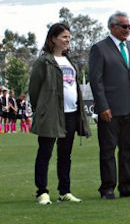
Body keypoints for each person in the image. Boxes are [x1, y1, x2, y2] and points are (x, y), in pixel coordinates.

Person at [29, 23, 91, 204]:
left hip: (71, 113)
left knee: (65, 154)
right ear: (53, 38)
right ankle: (42, 192)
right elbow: (34, 89)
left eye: (69, 37)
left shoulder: (69, 61)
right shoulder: (44, 61)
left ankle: (65, 191)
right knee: (45, 153)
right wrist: (41, 110)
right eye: (64, 37)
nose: (67, 40)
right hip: (51, 115)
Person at [89, 11, 130, 199]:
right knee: (107, 150)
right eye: (124, 26)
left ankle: (126, 187)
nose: (128, 30)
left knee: (128, 149)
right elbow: (95, 81)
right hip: (110, 110)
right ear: (112, 27)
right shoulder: (99, 49)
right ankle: (107, 188)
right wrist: (103, 106)